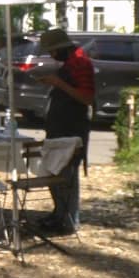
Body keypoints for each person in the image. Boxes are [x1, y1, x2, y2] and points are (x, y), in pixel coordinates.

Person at [26, 28, 94, 233]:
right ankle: (59, 214)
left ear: (60, 48)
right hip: (59, 127)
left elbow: (86, 98)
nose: (51, 56)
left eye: (52, 52)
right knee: (54, 170)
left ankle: (69, 221)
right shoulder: (70, 62)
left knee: (67, 175)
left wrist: (58, 83)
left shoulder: (80, 63)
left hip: (72, 128)